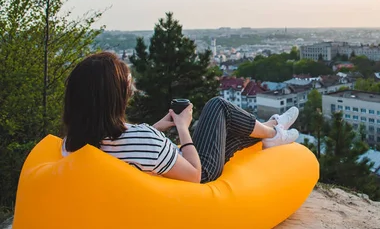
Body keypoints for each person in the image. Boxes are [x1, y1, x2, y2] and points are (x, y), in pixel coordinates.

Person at [61, 52, 300, 183]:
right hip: (198, 173)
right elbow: (195, 174)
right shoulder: (144, 141)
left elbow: (127, 145)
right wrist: (183, 127)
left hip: (167, 165)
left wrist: (158, 127)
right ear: (115, 98)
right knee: (219, 107)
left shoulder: (72, 142)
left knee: (228, 135)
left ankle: (269, 130)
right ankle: (273, 132)